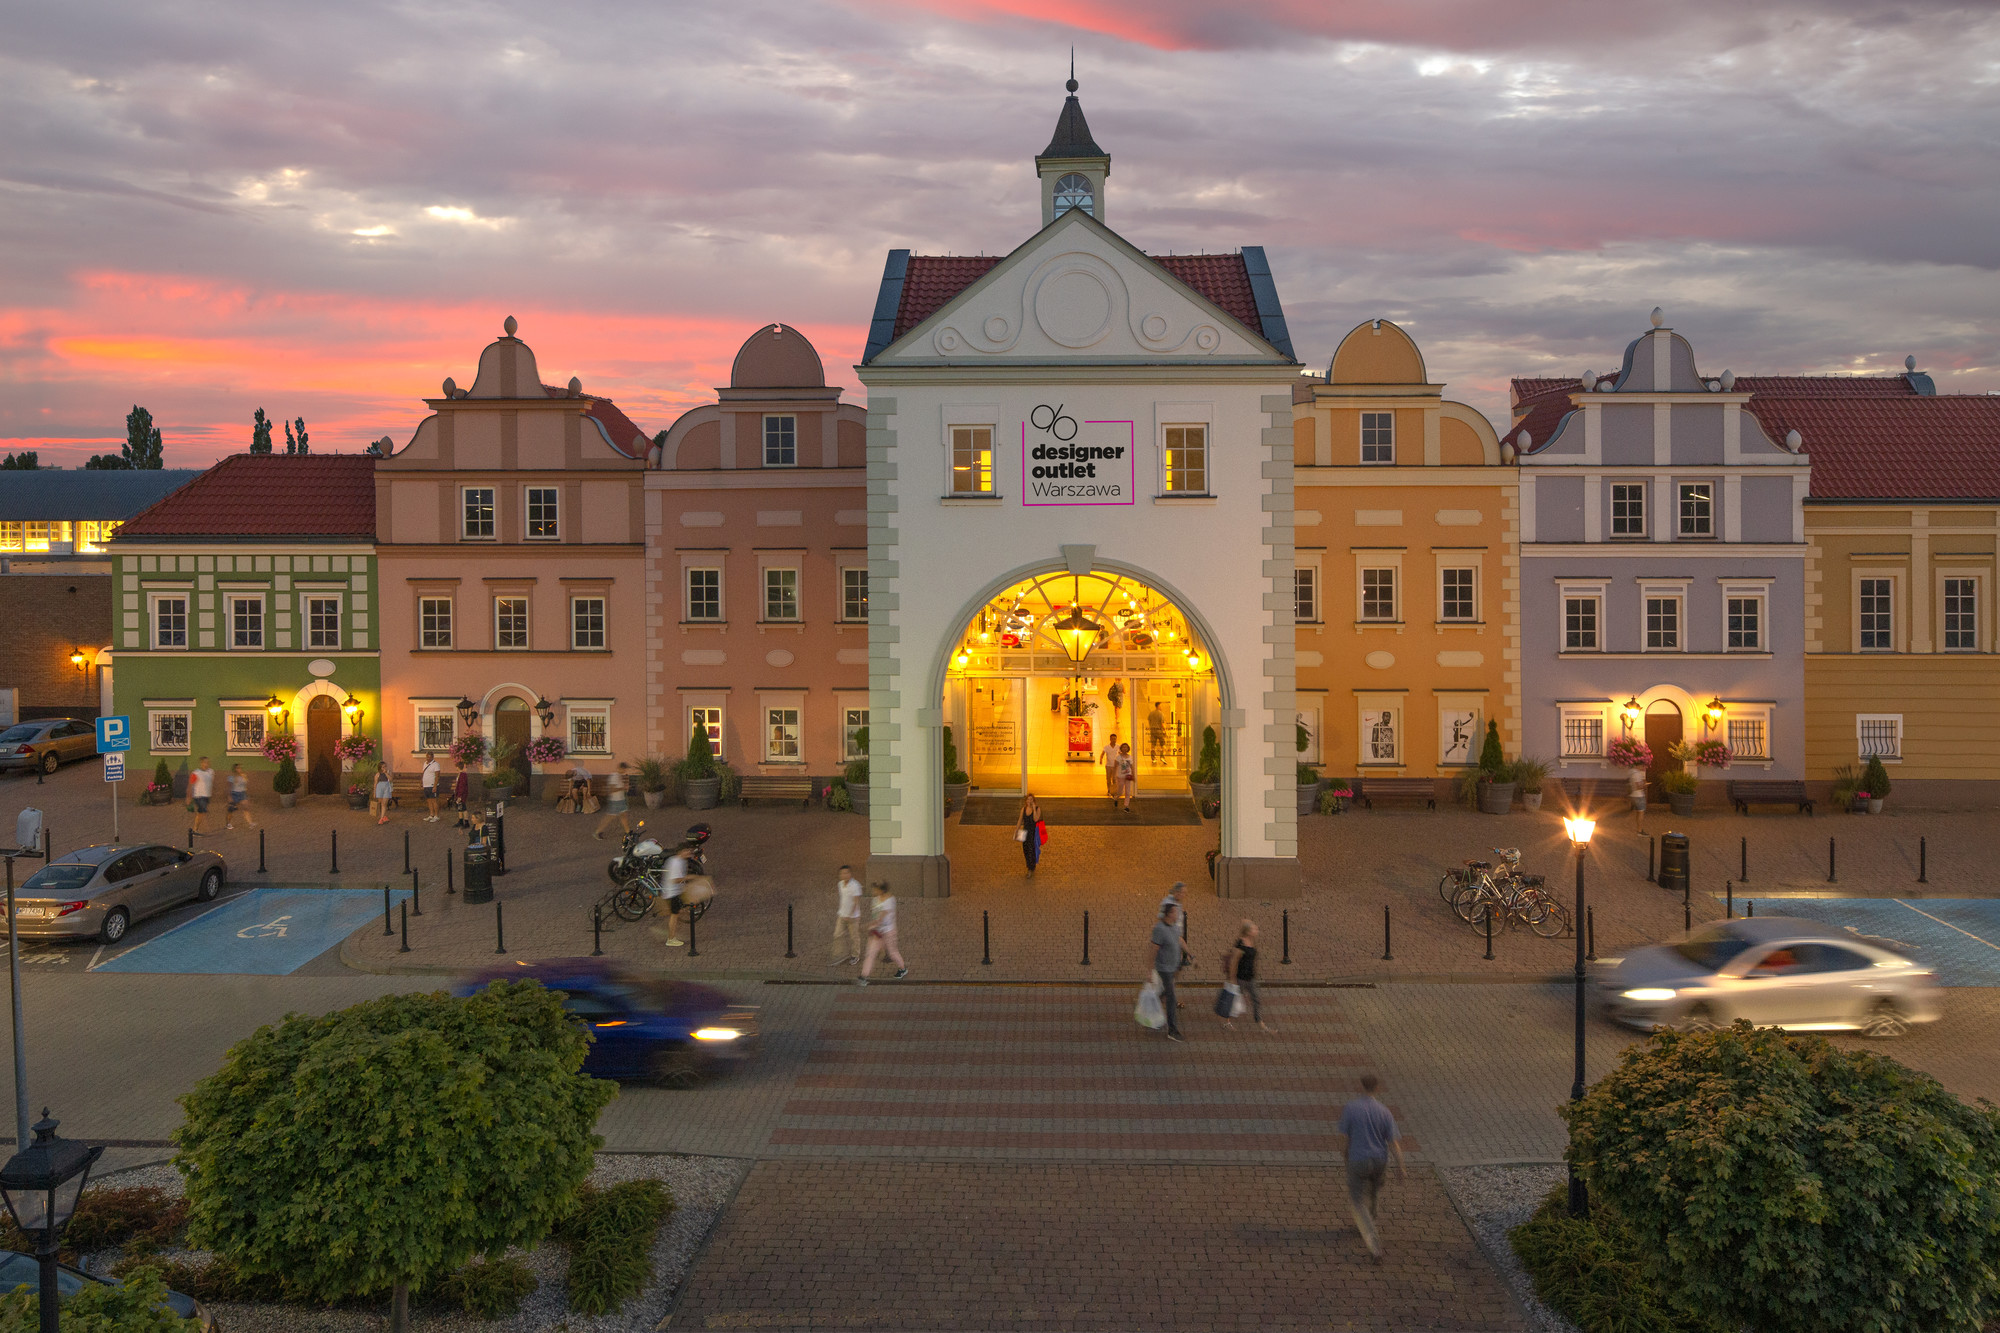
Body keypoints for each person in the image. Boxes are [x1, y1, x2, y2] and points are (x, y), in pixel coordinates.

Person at [1337, 1075, 1406, 1261]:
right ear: (1377, 1088)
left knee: (1358, 1201)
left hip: (1358, 1160)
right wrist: (1401, 1166)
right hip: (1379, 1161)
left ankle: (1374, 1245)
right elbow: (1393, 1143)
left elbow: (1343, 1138)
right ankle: (1368, 1221)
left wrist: (1345, 1157)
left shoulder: (1351, 1108)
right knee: (1374, 1193)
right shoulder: (1384, 1112)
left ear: (1361, 1087)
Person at [1221, 920, 1270, 1032]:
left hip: (1251, 977)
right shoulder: (1241, 945)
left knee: (1256, 999)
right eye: (1254, 928)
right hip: (1241, 978)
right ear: (1248, 931)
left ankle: (1260, 1022)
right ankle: (1227, 1021)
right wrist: (1233, 979)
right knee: (1234, 1000)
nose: (1256, 930)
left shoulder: (1252, 941)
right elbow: (1234, 962)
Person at [857, 881, 908, 985]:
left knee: (893, 952)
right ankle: (864, 976)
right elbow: (875, 916)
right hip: (877, 932)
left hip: (889, 931)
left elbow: (879, 919)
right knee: (870, 954)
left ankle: (902, 969)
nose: (873, 891)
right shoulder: (875, 899)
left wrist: (865, 926)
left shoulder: (889, 901)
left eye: (875, 889)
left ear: (881, 890)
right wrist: (872, 928)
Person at [1152, 903, 1185, 1041]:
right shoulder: (1160, 929)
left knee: (1167, 991)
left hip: (1173, 966)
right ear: (1169, 914)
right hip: (1164, 968)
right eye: (1175, 912)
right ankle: (1172, 1030)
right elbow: (1153, 950)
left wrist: (1190, 954)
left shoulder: (1174, 927)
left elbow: (1179, 940)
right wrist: (1149, 970)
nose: (1177, 915)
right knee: (1171, 997)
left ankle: (1155, 1002)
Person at [832, 864, 865, 965]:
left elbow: (856, 902)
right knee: (837, 934)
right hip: (842, 914)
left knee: (854, 937)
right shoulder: (840, 884)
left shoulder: (855, 886)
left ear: (850, 874)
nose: (844, 875)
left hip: (853, 917)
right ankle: (840, 954)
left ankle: (855, 955)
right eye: (842, 873)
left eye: (846, 873)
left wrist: (850, 915)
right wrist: (843, 912)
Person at [595, 761, 632, 839]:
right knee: (609, 817)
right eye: (624, 769)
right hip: (615, 801)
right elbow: (611, 789)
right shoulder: (614, 776)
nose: (625, 771)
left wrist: (625, 789)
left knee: (623, 815)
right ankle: (598, 832)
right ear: (621, 768)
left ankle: (628, 832)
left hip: (620, 800)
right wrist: (623, 788)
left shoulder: (619, 776)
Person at [1016, 793, 1044, 873]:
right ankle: (1029, 865)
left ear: (1034, 801)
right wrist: (1016, 830)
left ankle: (1031, 867)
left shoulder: (1038, 809)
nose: (1029, 801)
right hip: (1024, 831)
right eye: (1028, 799)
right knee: (1025, 849)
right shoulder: (1023, 809)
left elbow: (1035, 819)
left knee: (1031, 849)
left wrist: (1034, 809)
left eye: (1031, 799)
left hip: (1033, 832)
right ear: (1026, 801)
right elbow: (1020, 820)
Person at [224, 763, 256, 830]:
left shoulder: (243, 776)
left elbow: (245, 785)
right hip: (234, 794)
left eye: (240, 768)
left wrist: (247, 794)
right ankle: (228, 823)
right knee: (231, 810)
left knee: (246, 808)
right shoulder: (231, 777)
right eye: (238, 768)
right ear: (235, 769)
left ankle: (250, 823)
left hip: (242, 794)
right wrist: (229, 796)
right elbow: (229, 787)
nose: (240, 769)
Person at [189, 757, 215, 834]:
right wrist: (189, 796)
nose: (206, 764)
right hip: (198, 796)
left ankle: (196, 829)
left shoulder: (211, 772)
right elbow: (191, 784)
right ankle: (196, 830)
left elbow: (211, 783)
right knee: (202, 812)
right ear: (201, 763)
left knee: (201, 812)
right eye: (204, 762)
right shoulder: (196, 773)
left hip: (206, 796)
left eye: (207, 762)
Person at [421, 754, 442, 823]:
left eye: (430, 757)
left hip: (432, 785)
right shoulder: (425, 763)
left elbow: (437, 776)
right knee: (429, 800)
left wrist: (435, 786)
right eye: (427, 756)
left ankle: (436, 816)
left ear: (432, 757)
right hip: (426, 785)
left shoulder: (436, 764)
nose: (428, 758)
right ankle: (431, 814)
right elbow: (424, 773)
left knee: (434, 800)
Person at [1100, 732, 1121, 798]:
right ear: (1110, 739)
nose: (1114, 740)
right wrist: (1101, 759)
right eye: (1112, 739)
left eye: (1115, 739)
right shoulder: (1106, 747)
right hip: (1108, 765)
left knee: (1114, 779)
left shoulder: (1118, 746)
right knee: (1108, 779)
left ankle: (1114, 791)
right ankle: (1109, 790)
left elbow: (1121, 753)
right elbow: (1102, 753)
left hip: (1115, 765)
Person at [451, 761, 471, 829]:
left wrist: (459, 796)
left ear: (458, 767)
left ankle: (466, 822)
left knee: (463, 808)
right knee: (460, 808)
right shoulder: (460, 774)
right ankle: (460, 821)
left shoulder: (462, 775)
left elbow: (462, 786)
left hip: (461, 795)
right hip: (460, 794)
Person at [1117, 742, 1136, 813]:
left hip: (1128, 776)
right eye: (1123, 747)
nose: (1125, 748)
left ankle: (1126, 806)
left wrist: (1133, 775)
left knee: (1128, 791)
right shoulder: (1118, 757)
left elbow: (1132, 767)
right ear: (1121, 748)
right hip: (1120, 776)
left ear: (1128, 749)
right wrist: (1113, 776)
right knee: (1120, 791)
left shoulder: (1130, 757)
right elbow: (1115, 766)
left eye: (1126, 747)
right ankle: (1116, 798)